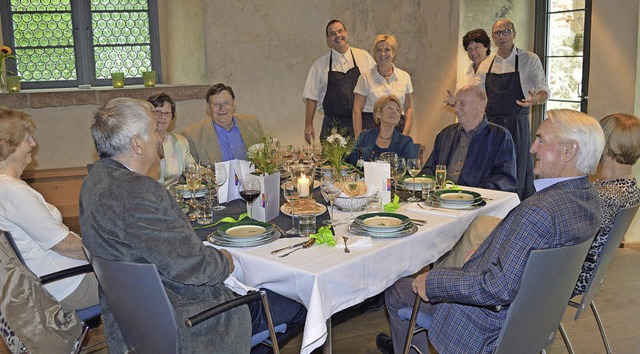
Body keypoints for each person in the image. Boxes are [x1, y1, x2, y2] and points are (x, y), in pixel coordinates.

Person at [80, 98, 306, 353]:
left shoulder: (95, 182)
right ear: (137, 144)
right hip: (189, 321)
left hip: (135, 321)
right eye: (155, 130)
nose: (159, 138)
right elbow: (194, 267)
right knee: (299, 299)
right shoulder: (138, 191)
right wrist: (224, 260)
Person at [377, 108, 605, 354]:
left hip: (485, 324)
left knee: (398, 290)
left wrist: (432, 281)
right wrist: (485, 252)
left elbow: (498, 288)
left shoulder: (540, 211)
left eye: (541, 140)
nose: (532, 148)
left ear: (569, 150)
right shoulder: (589, 199)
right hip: (533, 318)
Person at [0, 108, 98, 312]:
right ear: (8, 146)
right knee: (144, 280)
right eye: (26, 138)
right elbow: (64, 245)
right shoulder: (12, 191)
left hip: (48, 280)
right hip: (64, 285)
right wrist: (107, 256)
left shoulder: (8, 188)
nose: (33, 144)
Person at [476, 19, 549, 200]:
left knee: (519, 171)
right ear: (493, 37)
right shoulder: (486, 64)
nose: (502, 36)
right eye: (497, 33)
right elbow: (477, 93)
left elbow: (543, 89)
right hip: (491, 126)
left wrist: (536, 99)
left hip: (518, 124)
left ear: (514, 33)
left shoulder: (529, 59)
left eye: (506, 31)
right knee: (490, 171)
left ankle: (519, 212)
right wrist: (460, 100)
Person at [573, 113, 640, 296]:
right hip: (588, 274)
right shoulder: (630, 187)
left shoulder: (606, 195)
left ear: (605, 145)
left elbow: (572, 239)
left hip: (571, 276)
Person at [421, 85, 517, 192]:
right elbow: (429, 170)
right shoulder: (446, 134)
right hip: (441, 198)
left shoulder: (500, 136)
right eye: (456, 103)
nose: (456, 109)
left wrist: (475, 193)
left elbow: (505, 179)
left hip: (478, 202)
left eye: (462, 103)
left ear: (480, 106)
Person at [303, 19, 376, 143]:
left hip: (361, 124)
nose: (337, 35)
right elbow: (311, 97)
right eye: (332, 33)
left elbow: (377, 87)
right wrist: (308, 125)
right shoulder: (320, 65)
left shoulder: (364, 57)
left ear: (346, 34)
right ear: (328, 40)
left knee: (361, 162)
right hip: (333, 128)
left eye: (340, 31)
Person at [182, 83, 265, 162]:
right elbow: (194, 173)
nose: (222, 108)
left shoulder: (253, 123)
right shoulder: (193, 136)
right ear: (208, 107)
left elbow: (266, 160)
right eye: (216, 104)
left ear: (233, 104)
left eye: (226, 103)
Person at [352, 34, 414, 136]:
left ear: (394, 52)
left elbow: (409, 107)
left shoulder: (404, 77)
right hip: (372, 130)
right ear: (375, 54)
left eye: (387, 50)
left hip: (397, 131)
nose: (383, 53)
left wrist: (405, 133)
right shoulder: (365, 78)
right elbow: (357, 110)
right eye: (379, 50)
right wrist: (359, 138)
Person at [344, 95, 417, 165]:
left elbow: (409, 170)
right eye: (390, 108)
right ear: (378, 113)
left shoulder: (405, 142)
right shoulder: (365, 135)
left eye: (397, 110)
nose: (394, 111)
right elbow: (350, 162)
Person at [147, 93, 195, 186]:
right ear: (148, 115)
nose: (163, 117)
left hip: (175, 197)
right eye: (158, 112)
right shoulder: (140, 144)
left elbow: (192, 169)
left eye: (167, 113)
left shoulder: (180, 142)